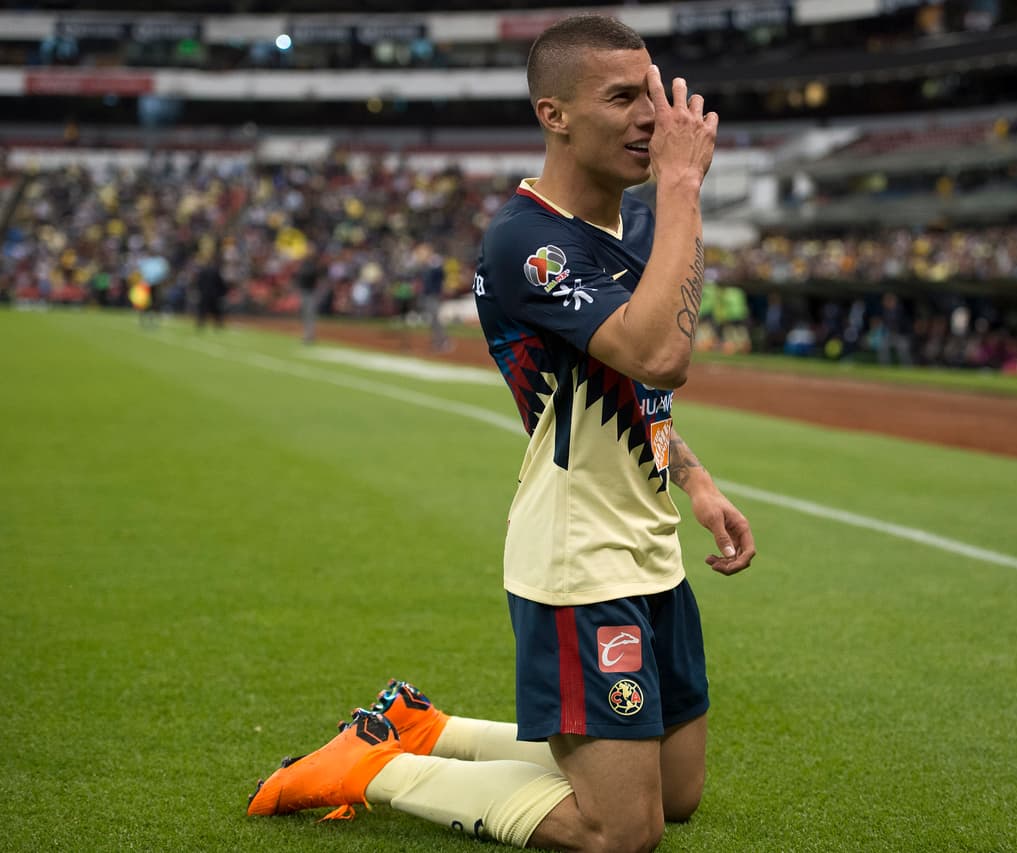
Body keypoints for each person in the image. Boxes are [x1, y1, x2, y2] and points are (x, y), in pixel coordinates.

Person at [246, 15, 756, 853]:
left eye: (654, 93)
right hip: (578, 554)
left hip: (648, 539)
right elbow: (661, 356)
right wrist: (683, 192)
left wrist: (695, 481)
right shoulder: (529, 241)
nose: (651, 118)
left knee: (677, 792)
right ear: (554, 114)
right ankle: (375, 768)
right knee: (623, 832)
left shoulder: (618, 233)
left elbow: (631, 391)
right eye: (622, 97)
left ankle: (424, 726)